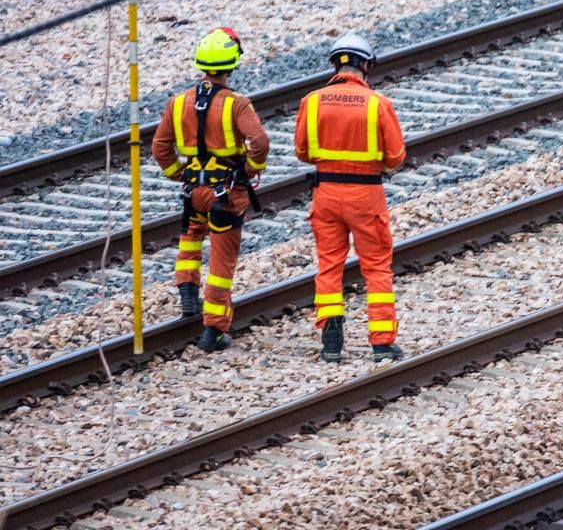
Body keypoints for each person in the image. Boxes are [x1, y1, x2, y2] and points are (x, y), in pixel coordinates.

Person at [151, 27, 270, 353]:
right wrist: (250, 169)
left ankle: (187, 291)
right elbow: (259, 141)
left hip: (194, 190)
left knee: (191, 235)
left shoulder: (177, 104)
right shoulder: (237, 104)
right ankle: (214, 331)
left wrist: (179, 174)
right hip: (226, 194)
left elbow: (160, 147)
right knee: (221, 262)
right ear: (232, 64)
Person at [293, 33, 406, 364]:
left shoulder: (311, 102)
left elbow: (302, 152)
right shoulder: (378, 104)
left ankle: (331, 341)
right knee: (376, 267)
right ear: (366, 65)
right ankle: (382, 344)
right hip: (366, 196)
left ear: (335, 64)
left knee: (329, 264)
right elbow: (396, 156)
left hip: (325, 194)